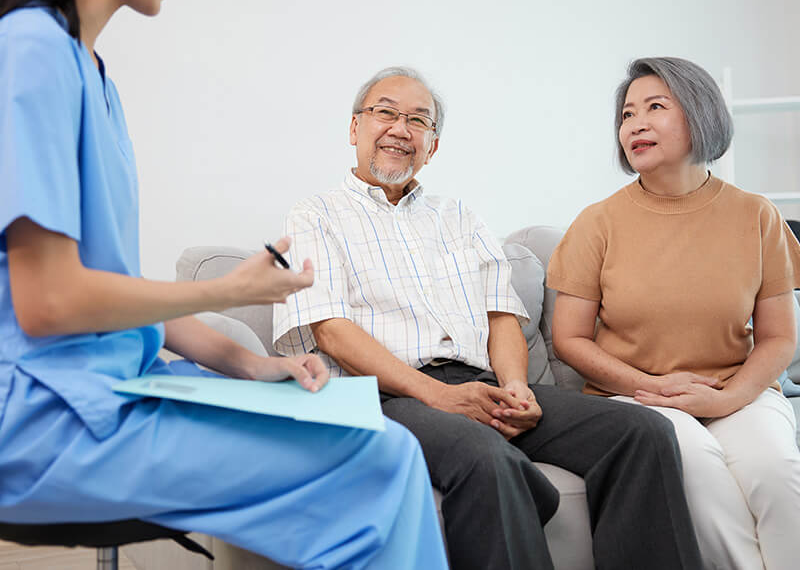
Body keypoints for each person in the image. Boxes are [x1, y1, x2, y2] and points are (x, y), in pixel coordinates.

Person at [0, 0, 448, 568]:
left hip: (108, 389)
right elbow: (51, 303)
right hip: (44, 418)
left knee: (378, 447)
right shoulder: (30, 51)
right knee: (379, 462)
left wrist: (251, 365)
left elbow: (114, 287)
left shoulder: (90, 73)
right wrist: (230, 289)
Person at [272, 66, 705, 570]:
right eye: (385, 112)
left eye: (418, 120)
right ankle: (520, 488)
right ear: (354, 129)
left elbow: (503, 317)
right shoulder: (314, 216)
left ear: (432, 145)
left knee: (641, 431)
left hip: (482, 382)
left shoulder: (458, 216)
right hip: (383, 395)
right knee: (484, 456)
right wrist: (436, 394)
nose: (400, 128)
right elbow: (330, 330)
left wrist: (517, 387)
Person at [548, 56, 800, 570]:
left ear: (700, 114)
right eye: (626, 114)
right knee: (697, 467)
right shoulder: (597, 223)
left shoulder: (757, 215)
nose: (634, 123)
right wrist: (655, 387)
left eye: (655, 107)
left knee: (776, 471)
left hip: (737, 388)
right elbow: (569, 339)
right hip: (640, 397)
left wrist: (726, 397)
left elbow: (779, 338)